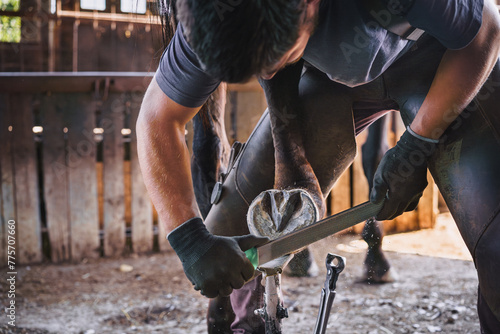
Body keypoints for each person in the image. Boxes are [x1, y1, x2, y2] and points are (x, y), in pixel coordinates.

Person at [136, 0, 500, 333]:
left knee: (496, 248)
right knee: (228, 225)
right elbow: (157, 119)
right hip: (331, 78)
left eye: (276, 55)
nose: (267, 70)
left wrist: (419, 141)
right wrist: (189, 238)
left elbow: (485, 30)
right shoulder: (212, 13)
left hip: (448, 63)